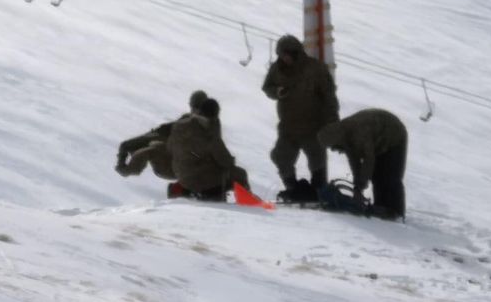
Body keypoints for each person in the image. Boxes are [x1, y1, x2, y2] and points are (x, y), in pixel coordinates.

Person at [262, 34, 339, 202]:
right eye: (281, 55)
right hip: (288, 127)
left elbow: (329, 97)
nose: (284, 59)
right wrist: (277, 92)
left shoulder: (315, 69)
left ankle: (319, 192)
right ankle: (294, 190)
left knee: (317, 161)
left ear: (295, 52)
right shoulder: (277, 68)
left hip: (313, 126)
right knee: (280, 156)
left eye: (286, 55)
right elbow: (267, 87)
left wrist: (332, 123)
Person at [317, 108, 407, 220]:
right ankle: (382, 207)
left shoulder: (358, 132)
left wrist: (360, 188)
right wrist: (357, 186)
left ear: (337, 140)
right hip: (378, 141)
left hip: (395, 136)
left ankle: (396, 212)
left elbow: (369, 159)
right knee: (377, 176)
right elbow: (355, 163)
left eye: (334, 147)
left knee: (390, 176)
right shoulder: (345, 136)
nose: (336, 151)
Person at [166, 98, 250, 201]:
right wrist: (230, 161)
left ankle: (179, 189)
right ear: (215, 114)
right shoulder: (208, 131)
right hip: (201, 180)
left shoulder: (179, 126)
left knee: (202, 169)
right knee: (239, 173)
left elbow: (169, 147)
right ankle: (247, 201)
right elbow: (224, 160)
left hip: (181, 176)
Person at [115, 90, 209, 179]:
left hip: (179, 169)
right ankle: (128, 166)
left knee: (152, 148)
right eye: (195, 106)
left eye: (201, 108)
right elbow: (164, 130)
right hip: (168, 159)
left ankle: (130, 169)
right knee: (142, 144)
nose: (197, 111)